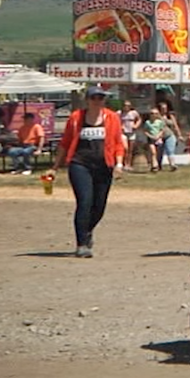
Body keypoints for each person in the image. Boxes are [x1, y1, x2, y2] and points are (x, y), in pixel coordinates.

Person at [53, 86, 127, 258]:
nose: (98, 101)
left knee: (99, 206)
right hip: (80, 164)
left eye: (101, 98)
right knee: (85, 202)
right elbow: (65, 142)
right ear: (87, 100)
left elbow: (117, 142)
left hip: (104, 166)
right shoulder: (76, 117)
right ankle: (81, 244)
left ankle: (87, 231)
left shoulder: (112, 117)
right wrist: (55, 167)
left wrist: (119, 164)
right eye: (94, 98)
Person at [157, 100, 183, 171]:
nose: (164, 110)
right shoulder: (157, 116)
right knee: (159, 152)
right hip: (159, 136)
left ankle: (172, 165)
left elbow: (175, 126)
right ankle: (158, 165)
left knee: (170, 150)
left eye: (165, 108)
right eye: (163, 108)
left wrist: (179, 135)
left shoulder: (170, 116)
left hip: (170, 135)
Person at [120, 101, 141, 171]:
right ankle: (123, 163)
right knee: (125, 148)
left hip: (131, 132)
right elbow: (115, 120)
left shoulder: (134, 113)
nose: (126, 107)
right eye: (125, 105)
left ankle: (128, 164)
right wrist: (120, 126)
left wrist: (136, 125)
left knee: (130, 149)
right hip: (123, 132)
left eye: (128, 106)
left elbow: (139, 119)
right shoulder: (119, 113)